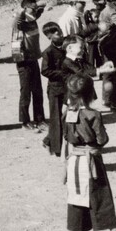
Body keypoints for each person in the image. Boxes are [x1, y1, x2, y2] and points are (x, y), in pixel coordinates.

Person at [63, 74, 116, 231]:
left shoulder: (68, 113)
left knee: (76, 196)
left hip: (74, 159)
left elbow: (66, 137)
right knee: (102, 195)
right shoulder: (93, 114)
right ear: (91, 93)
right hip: (91, 160)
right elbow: (101, 139)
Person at [13, 0, 47, 132]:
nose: (35, 11)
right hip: (23, 61)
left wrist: (35, 7)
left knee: (38, 91)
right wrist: (29, 6)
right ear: (25, 9)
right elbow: (18, 16)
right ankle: (25, 121)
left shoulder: (32, 19)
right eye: (32, 9)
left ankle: (40, 119)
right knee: (25, 92)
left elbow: (42, 7)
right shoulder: (19, 22)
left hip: (33, 60)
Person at [41, 23, 68, 156]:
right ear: (49, 36)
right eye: (57, 33)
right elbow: (45, 71)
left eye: (60, 31)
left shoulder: (67, 46)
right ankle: (57, 149)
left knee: (69, 116)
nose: (60, 34)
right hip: (55, 89)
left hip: (69, 87)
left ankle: (48, 140)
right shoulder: (48, 52)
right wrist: (62, 73)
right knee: (56, 118)